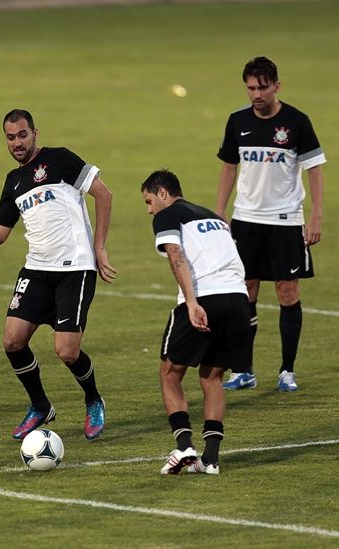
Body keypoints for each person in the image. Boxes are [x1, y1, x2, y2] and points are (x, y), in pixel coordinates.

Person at [0, 109, 115, 441]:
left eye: (22, 135)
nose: (17, 143)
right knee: (12, 341)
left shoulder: (60, 160)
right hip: (36, 269)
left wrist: (99, 248)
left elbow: (104, 194)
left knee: (67, 352)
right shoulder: (14, 182)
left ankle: (93, 399)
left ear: (35, 133)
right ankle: (40, 406)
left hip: (74, 269)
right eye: (10, 137)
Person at [215, 56, 325, 392]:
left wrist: (316, 214)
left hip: (286, 221)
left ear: (277, 85)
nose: (256, 94)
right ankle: (244, 369)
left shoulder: (296, 122)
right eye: (250, 87)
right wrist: (220, 211)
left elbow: (314, 168)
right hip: (246, 219)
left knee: (287, 291)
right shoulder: (237, 121)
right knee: (244, 291)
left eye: (262, 87)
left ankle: (287, 370)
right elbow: (229, 167)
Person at [142, 169, 249, 476]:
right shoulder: (214, 217)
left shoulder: (167, 215)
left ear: (163, 194)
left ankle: (184, 444)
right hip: (238, 300)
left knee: (169, 372)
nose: (149, 209)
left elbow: (175, 254)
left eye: (149, 201)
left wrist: (191, 302)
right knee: (211, 377)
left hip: (206, 297)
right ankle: (211, 459)